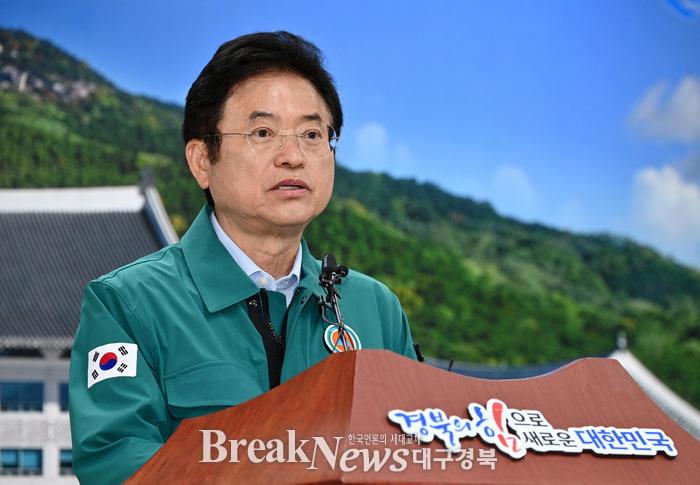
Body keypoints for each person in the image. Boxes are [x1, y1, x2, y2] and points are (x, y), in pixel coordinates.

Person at [69, 31, 417, 484]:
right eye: (263, 133)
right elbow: (117, 461)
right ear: (202, 160)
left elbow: (418, 455)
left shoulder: (374, 308)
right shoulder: (128, 304)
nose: (293, 156)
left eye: (312, 134)